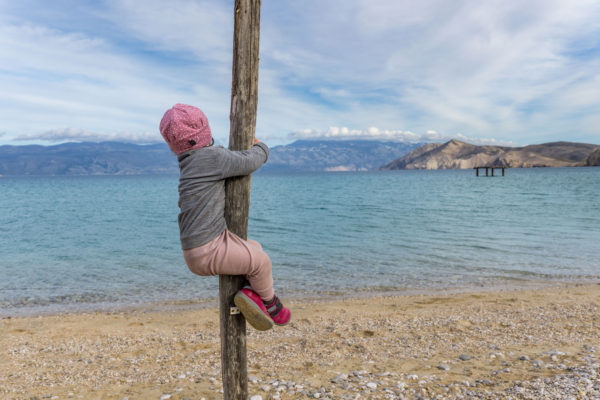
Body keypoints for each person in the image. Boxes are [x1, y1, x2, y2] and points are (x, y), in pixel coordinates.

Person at [159, 103, 291, 331]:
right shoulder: (210, 158)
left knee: (255, 247)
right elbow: (250, 162)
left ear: (173, 146)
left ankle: (251, 294)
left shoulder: (189, 162)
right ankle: (271, 305)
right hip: (208, 249)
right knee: (262, 262)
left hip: (201, 247)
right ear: (205, 131)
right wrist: (262, 148)